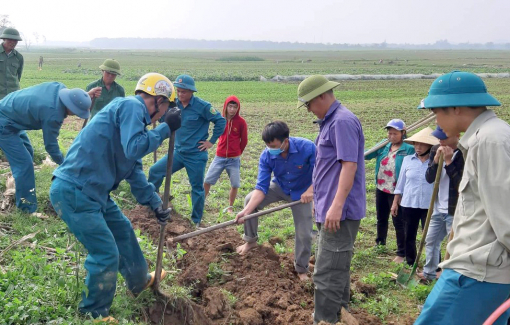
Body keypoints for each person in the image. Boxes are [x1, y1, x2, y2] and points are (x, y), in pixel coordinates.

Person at [49, 73, 181, 322]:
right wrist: (165, 129)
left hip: (94, 193)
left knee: (122, 231)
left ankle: (139, 281)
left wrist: (156, 204)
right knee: (106, 253)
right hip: (74, 191)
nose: (163, 115)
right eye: (165, 109)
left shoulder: (133, 126)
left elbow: (135, 173)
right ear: (158, 100)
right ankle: (93, 314)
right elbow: (135, 148)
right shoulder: (131, 105)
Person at [414, 71, 510, 325]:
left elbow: (506, 215)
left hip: (477, 273)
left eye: (437, 112)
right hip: (479, 270)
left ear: (455, 108)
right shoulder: (486, 136)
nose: (436, 120)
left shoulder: (489, 141)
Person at [298, 75, 366, 324]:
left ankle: (324, 320)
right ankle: (339, 312)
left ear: (321, 96)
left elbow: (349, 166)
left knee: (326, 270)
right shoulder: (329, 122)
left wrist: (336, 205)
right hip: (328, 207)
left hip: (340, 211)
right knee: (337, 264)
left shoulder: (342, 122)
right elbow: (328, 167)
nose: (308, 110)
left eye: (308, 104)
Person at [235, 121, 314, 281]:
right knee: (250, 200)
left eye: (275, 146)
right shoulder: (267, 155)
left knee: (304, 233)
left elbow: (322, 172)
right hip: (281, 186)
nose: (272, 150)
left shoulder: (307, 147)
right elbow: (261, 188)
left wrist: (311, 191)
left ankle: (301, 269)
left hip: (302, 192)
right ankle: (250, 241)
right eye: (268, 146)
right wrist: (246, 211)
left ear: (286, 140)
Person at [0, 82, 93, 213]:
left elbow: (74, 98)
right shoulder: (53, 114)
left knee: (28, 153)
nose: (76, 115)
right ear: (70, 107)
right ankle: (27, 208)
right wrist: (65, 164)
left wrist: (82, 99)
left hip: (11, 110)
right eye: (77, 112)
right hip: (5, 123)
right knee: (24, 164)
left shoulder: (60, 88)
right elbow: (51, 146)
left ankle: (19, 187)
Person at [149, 74, 226, 227]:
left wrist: (211, 142)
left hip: (196, 155)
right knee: (155, 171)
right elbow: (163, 119)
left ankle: (196, 221)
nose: (180, 94)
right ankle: (152, 201)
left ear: (191, 91)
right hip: (177, 152)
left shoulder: (202, 106)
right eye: (178, 91)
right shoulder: (173, 105)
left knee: (197, 188)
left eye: (183, 91)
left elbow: (220, 121)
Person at [365, 119, 415, 263]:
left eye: (395, 133)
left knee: (398, 221)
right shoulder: (384, 145)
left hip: (397, 190)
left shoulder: (408, 148)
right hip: (381, 187)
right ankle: (380, 243)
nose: (391, 136)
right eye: (389, 133)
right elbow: (368, 155)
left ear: (403, 133)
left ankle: (401, 252)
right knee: (381, 218)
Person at [418, 126, 464, 281]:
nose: (440, 141)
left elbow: (461, 184)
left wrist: (449, 162)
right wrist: (436, 160)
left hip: (455, 208)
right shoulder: (435, 150)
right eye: (439, 139)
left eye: (444, 138)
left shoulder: (464, 153)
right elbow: (429, 178)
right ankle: (429, 273)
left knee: (455, 246)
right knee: (430, 240)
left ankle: (450, 276)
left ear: (457, 135)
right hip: (437, 207)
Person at [391, 127, 438, 266]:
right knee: (409, 235)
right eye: (416, 144)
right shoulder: (407, 160)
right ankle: (411, 262)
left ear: (430, 146)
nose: (418, 147)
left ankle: (433, 266)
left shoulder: (436, 162)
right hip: (409, 204)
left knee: (431, 237)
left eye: (422, 144)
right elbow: (400, 184)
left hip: (429, 205)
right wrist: (395, 202)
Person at [204, 95, 248, 213]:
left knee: (235, 184)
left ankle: (230, 207)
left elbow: (244, 140)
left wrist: (237, 153)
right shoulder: (221, 120)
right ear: (226, 106)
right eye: (230, 106)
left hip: (234, 160)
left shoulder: (241, 122)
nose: (232, 109)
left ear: (238, 108)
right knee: (207, 180)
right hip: (219, 157)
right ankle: (201, 202)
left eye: (235, 107)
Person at [0, 27, 24, 100]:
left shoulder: (19, 57)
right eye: (10, 40)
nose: (13, 42)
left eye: (15, 40)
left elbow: (18, 76)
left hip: (12, 96)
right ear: (4, 39)